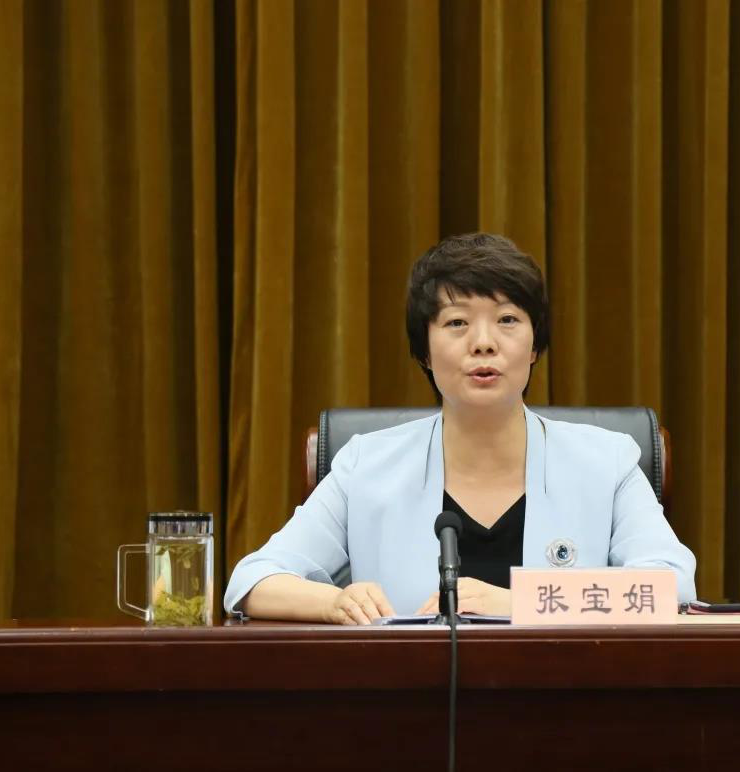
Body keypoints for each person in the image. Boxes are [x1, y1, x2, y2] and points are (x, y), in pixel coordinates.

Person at [223, 233, 697, 623]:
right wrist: (334, 601)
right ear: (425, 352)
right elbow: (252, 581)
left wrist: (520, 603)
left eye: (507, 319)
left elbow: (672, 586)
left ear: (535, 346)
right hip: (408, 700)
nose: (483, 343)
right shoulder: (365, 464)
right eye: (456, 323)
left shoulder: (607, 462)